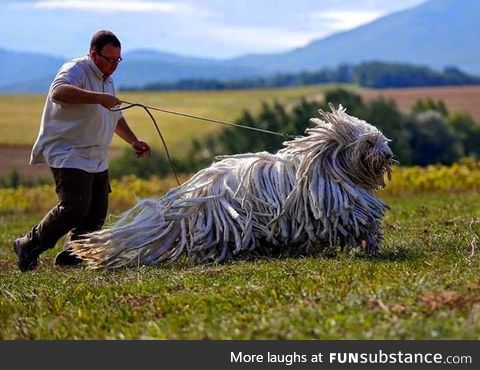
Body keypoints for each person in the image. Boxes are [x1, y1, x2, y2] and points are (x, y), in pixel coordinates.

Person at [13, 30, 151, 272]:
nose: (113, 65)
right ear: (93, 54)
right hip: (68, 151)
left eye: (117, 60)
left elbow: (114, 117)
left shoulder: (108, 78)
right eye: (109, 59)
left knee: (97, 212)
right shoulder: (76, 69)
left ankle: (73, 255)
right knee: (75, 206)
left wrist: (133, 140)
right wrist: (98, 98)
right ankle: (28, 244)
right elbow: (58, 92)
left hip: (96, 155)